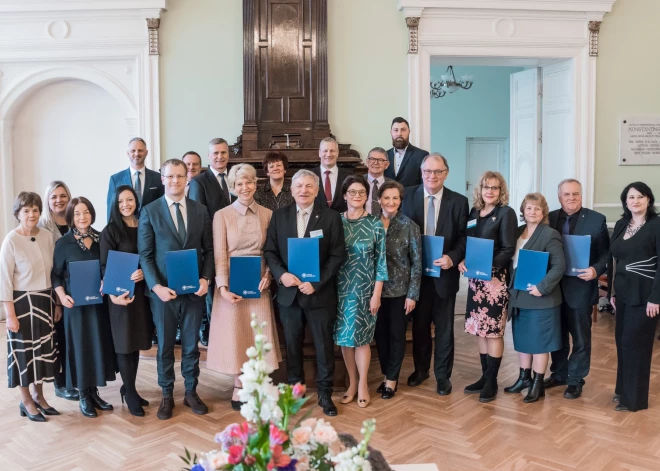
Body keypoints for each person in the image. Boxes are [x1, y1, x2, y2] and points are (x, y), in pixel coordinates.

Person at [264, 169, 347, 416]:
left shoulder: (331, 218)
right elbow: (270, 251)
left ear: (317, 190)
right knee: (292, 346)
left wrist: (317, 282)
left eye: (309, 186)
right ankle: (295, 392)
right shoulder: (279, 216)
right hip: (289, 295)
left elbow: (337, 254)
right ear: (292, 190)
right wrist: (281, 275)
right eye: (299, 186)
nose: (304, 190)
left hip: (319, 295)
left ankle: (325, 393)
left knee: (324, 347)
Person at [138, 158, 214, 420]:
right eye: (170, 177)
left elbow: (209, 250)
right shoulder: (149, 211)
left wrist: (206, 279)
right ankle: (167, 394)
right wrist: (156, 286)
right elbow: (145, 255)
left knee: (192, 345)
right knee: (165, 347)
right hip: (163, 294)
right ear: (162, 179)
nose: (175, 181)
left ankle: (191, 391)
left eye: (180, 176)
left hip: (194, 292)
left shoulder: (200, 210)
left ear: (187, 178)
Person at [206, 164, 281, 410]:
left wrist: (269, 276)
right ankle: (239, 384)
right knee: (237, 334)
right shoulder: (222, 215)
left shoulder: (268, 214)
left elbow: (272, 251)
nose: (245, 187)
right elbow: (219, 254)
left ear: (255, 184)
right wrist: (223, 287)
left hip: (259, 285)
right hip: (233, 286)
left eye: (248, 182)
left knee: (257, 335)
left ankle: (258, 383)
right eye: (239, 184)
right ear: (233, 187)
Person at [401, 153, 468, 395]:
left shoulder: (459, 201)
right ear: (421, 172)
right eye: (428, 171)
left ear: (446, 173)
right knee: (419, 328)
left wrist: (452, 257)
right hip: (415, 278)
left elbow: (463, 237)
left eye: (438, 172)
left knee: (444, 329)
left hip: (444, 276)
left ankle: (443, 376)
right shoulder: (407, 195)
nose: (432, 176)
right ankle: (420, 371)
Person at [544, 179, 609, 399]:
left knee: (581, 338)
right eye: (566, 194)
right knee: (557, 335)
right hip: (553, 288)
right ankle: (559, 374)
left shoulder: (596, 220)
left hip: (580, 288)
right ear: (559, 196)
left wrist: (595, 269)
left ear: (581, 195)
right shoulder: (548, 218)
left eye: (576, 194)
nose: (571, 198)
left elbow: (606, 254)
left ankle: (575, 379)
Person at [52, 197, 116, 418]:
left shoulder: (101, 239)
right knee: (80, 348)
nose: (82, 217)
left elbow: (108, 267)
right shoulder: (63, 243)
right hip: (75, 306)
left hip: (98, 305)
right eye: (77, 213)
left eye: (86, 212)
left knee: (97, 346)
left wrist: (106, 281)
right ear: (71, 216)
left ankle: (94, 392)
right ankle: (82, 395)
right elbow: (56, 276)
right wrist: (62, 296)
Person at [457, 171, 517, 403]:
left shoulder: (506, 213)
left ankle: (492, 380)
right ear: (480, 189)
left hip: (494, 280)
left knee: (493, 331)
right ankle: (484, 376)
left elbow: (507, 249)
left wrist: (488, 269)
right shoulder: (474, 213)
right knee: (478, 329)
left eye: (495, 187)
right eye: (486, 187)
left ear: (501, 191)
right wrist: (463, 260)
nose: (489, 191)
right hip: (475, 281)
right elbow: (468, 244)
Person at [1, 192, 59, 422]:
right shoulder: (11, 240)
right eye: (26, 210)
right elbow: (4, 280)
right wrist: (10, 315)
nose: (32, 214)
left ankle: (39, 396)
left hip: (45, 300)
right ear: (18, 213)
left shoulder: (46, 236)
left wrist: (55, 302)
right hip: (21, 303)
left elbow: (53, 273)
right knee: (24, 355)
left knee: (41, 354)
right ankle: (26, 401)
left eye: (35, 210)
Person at [504, 193, 565, 403]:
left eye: (537, 209)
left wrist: (542, 287)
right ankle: (524, 378)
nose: (532, 212)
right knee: (522, 340)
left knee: (539, 343)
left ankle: (538, 384)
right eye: (529, 208)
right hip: (519, 297)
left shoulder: (550, 234)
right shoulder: (518, 233)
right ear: (523, 210)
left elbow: (559, 266)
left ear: (543, 212)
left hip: (542, 299)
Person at [334, 175, 388, 408]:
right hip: (339, 289)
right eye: (352, 192)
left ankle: (364, 383)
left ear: (368, 196)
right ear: (344, 195)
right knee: (345, 339)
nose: (357, 196)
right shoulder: (335, 221)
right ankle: (352, 383)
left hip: (366, 290)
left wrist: (377, 294)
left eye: (362, 193)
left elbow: (381, 262)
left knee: (362, 339)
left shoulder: (375, 223)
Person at [100, 185, 154, 417]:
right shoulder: (110, 230)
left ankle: (129, 387)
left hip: (141, 294)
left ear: (136, 201)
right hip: (120, 297)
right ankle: (130, 392)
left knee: (136, 343)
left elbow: (150, 255)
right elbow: (104, 266)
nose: (126, 204)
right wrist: (114, 294)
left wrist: (143, 271)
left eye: (130, 200)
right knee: (124, 344)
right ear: (115, 203)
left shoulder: (143, 224)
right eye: (121, 201)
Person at [608, 182, 660, 412]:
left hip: (646, 295)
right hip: (624, 294)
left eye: (640, 196)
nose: (635, 201)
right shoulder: (621, 224)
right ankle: (622, 390)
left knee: (636, 344)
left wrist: (656, 298)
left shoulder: (657, 225)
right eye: (631, 197)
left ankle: (635, 400)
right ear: (625, 201)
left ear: (649, 200)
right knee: (622, 342)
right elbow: (614, 260)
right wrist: (612, 292)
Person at [373, 181, 421, 400]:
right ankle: (385, 375)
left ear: (401, 200)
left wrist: (413, 294)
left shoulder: (410, 225)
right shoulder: (371, 222)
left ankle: (392, 379)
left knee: (396, 336)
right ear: (379, 199)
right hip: (374, 292)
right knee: (380, 336)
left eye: (395, 198)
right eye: (386, 198)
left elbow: (417, 263)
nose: (390, 202)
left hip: (400, 292)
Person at [189, 138, 234, 347]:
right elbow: (201, 217)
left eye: (223, 152)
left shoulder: (235, 178)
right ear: (208, 156)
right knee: (214, 295)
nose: (220, 156)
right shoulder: (200, 182)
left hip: (237, 247)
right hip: (214, 245)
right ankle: (217, 339)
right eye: (215, 153)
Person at [37, 180, 77, 401]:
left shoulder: (76, 220)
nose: (59, 200)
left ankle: (75, 379)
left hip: (77, 289)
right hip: (55, 291)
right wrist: (57, 300)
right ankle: (60, 384)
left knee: (73, 338)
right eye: (54, 196)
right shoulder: (42, 227)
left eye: (63, 195)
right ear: (47, 200)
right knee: (58, 339)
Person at [107, 137, 164, 222]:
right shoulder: (116, 179)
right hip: (124, 229)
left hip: (151, 228)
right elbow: (111, 208)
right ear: (128, 153)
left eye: (140, 150)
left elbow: (162, 207)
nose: (137, 153)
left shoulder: (158, 178)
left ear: (146, 153)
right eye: (133, 151)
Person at [384, 117, 429, 188]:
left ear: (409, 132)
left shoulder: (422, 155)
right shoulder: (384, 156)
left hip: (412, 198)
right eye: (396, 130)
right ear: (391, 132)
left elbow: (424, 185)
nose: (399, 134)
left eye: (403, 130)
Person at [310, 137, 351, 212]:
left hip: (342, 221)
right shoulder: (309, 176)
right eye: (325, 151)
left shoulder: (349, 177)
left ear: (337, 153)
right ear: (319, 153)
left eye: (332, 151)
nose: (328, 154)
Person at [364, 147, 393, 216]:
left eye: (380, 160)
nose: (376, 163)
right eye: (372, 159)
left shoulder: (393, 185)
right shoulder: (357, 182)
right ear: (367, 162)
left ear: (387, 165)